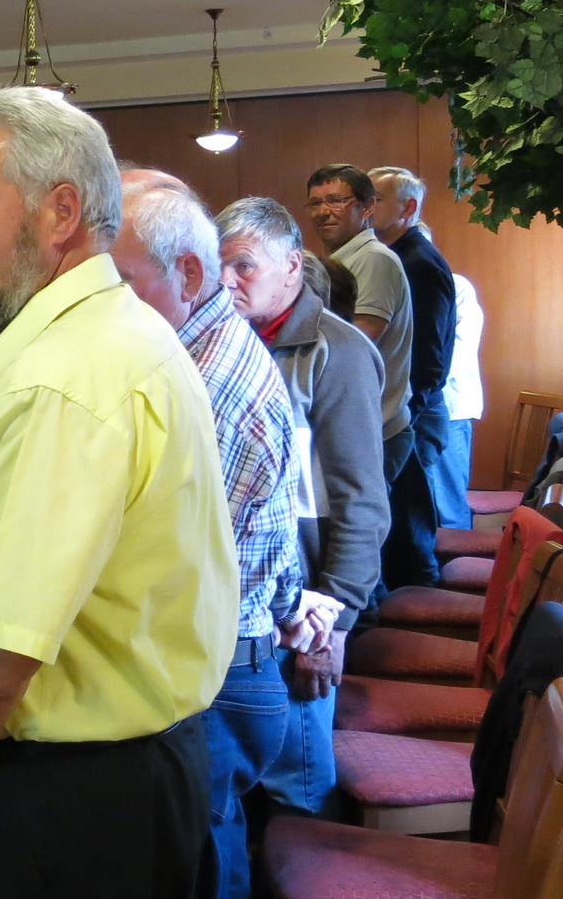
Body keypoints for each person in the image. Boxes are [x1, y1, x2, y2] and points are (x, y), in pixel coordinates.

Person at [0, 87, 235, 898]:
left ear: (59, 212)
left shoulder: (59, 380)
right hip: (135, 781)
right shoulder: (126, 331)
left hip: (59, 806)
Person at [110, 176, 321, 898]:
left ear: (188, 276)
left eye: (120, 280)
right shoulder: (191, 351)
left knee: (196, 868)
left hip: (219, 673)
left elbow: (180, 568)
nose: (103, 299)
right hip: (230, 657)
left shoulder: (206, 385)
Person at [216, 196, 391, 819]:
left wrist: (334, 623)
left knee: (299, 787)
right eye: (217, 266)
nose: (225, 281)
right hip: (238, 603)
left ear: (292, 266)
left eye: (243, 266)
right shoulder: (219, 342)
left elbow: (362, 500)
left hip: (305, 608)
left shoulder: (336, 350)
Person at [368, 166, 457, 587]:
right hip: (404, 408)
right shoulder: (396, 257)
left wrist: (401, 415)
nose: (366, 208)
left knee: (409, 530)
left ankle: (419, 609)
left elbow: (429, 359)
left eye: (376, 200)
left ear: (408, 208)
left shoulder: (418, 262)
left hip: (413, 412)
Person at [304, 164, 413, 506]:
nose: (323, 211)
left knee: (357, 527)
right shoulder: (341, 258)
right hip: (351, 428)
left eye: (336, 200)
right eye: (315, 202)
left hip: (374, 430)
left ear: (367, 207)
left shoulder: (374, 259)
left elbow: (355, 348)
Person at [441, 272, 485, 529]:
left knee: (449, 502)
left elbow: (459, 349)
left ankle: (458, 551)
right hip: (411, 406)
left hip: (449, 409)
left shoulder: (457, 286)